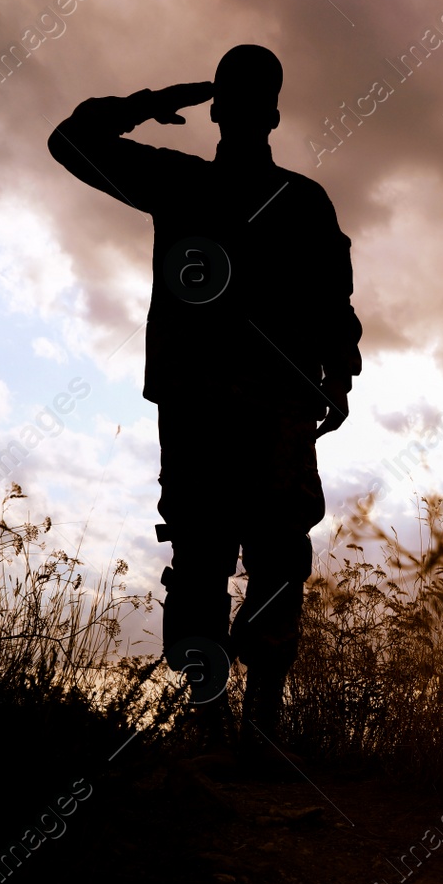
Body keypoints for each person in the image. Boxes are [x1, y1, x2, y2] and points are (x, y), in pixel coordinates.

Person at [47, 44, 360, 762]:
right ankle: (244, 725)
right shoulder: (288, 198)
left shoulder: (185, 182)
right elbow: (336, 306)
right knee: (257, 558)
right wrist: (338, 376)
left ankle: (221, 721)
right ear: (272, 114)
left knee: (214, 560)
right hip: (254, 407)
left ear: (216, 109)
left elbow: (73, 139)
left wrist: (150, 101)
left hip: (221, 407)